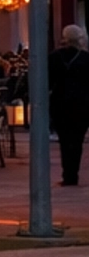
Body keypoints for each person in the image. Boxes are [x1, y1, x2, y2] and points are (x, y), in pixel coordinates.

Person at [49, 23, 89, 186]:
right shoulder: (86, 58)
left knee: (65, 141)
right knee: (77, 141)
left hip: (60, 105)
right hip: (82, 105)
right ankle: (74, 174)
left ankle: (68, 175)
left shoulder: (54, 57)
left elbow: (48, 82)